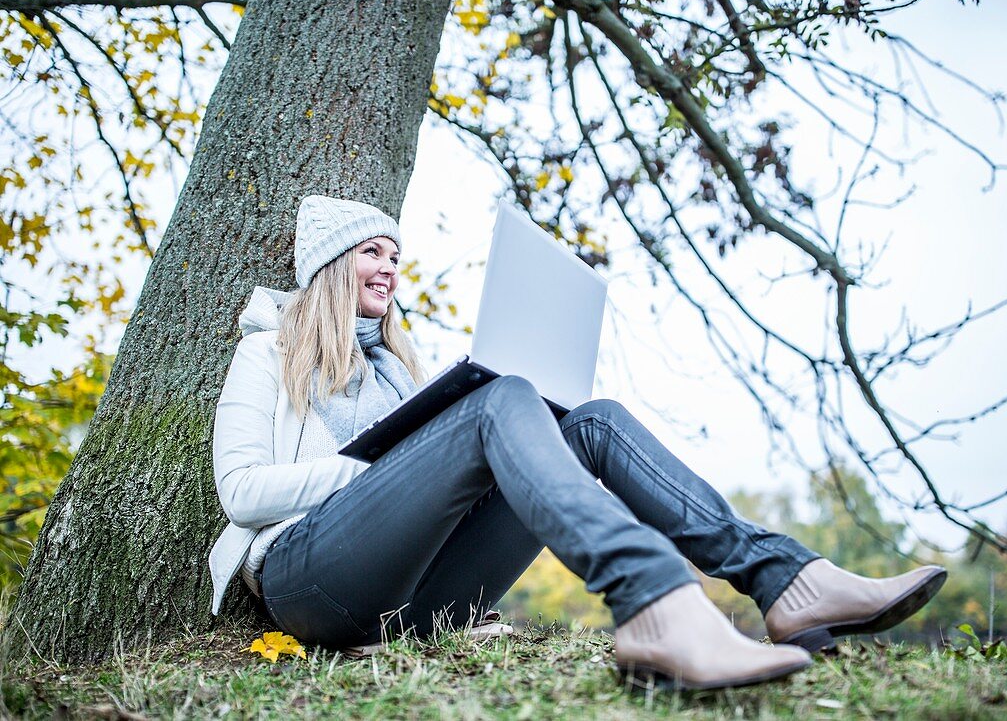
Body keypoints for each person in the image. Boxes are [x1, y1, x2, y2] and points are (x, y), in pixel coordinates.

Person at [208, 194, 947, 690]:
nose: (390, 270)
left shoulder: (401, 368)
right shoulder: (266, 354)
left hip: (418, 600)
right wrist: (363, 473)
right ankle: (654, 598)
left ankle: (786, 579)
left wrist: (417, 465)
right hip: (311, 581)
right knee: (498, 400)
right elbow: (239, 491)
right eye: (373, 253)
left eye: (396, 257)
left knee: (589, 419)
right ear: (334, 266)